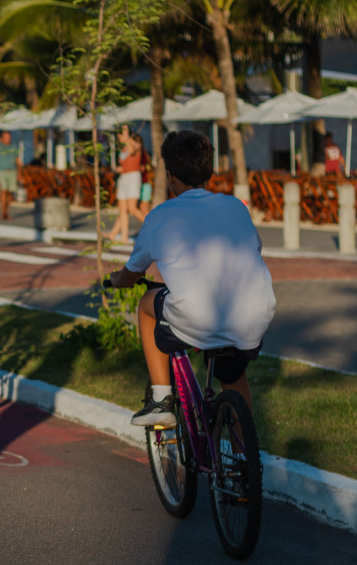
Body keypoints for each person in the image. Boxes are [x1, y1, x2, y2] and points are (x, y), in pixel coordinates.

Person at [108, 130, 275, 427]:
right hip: (253, 314)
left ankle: (161, 399)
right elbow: (255, 248)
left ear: (171, 177)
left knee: (148, 304)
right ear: (208, 172)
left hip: (199, 316)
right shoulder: (236, 206)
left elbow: (133, 271)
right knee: (233, 375)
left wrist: (118, 280)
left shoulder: (160, 216)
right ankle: (245, 463)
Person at [105, 125, 146, 243]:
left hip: (133, 177)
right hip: (124, 178)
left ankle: (155, 227)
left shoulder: (136, 144)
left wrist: (127, 137)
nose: (119, 136)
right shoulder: (123, 149)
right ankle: (123, 236)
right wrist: (119, 169)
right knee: (122, 210)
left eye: (121, 133)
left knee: (132, 208)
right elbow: (125, 163)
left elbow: (132, 151)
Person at [0, 130, 22, 219]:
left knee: (9, 192)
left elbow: (18, 161)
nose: (8, 139)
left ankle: (7, 212)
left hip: (12, 171)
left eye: (9, 137)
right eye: (6, 137)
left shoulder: (14, 147)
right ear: (2, 138)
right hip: (1, 171)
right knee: (3, 191)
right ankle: (3, 212)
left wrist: (19, 173)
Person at [135, 134, 153, 217]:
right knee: (143, 209)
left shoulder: (142, 154)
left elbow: (144, 168)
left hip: (145, 184)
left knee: (144, 209)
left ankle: (151, 228)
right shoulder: (143, 154)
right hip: (143, 184)